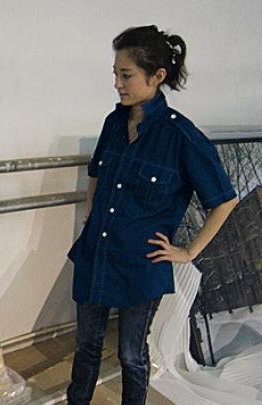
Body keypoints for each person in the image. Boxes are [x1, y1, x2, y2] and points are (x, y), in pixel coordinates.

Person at [66, 25, 238, 405]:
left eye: (125, 75)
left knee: (131, 355)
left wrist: (188, 251)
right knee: (86, 349)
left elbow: (224, 200)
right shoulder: (113, 123)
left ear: (157, 76)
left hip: (141, 266)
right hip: (96, 255)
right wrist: (92, 217)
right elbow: (96, 171)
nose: (117, 83)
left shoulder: (183, 137)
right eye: (115, 73)